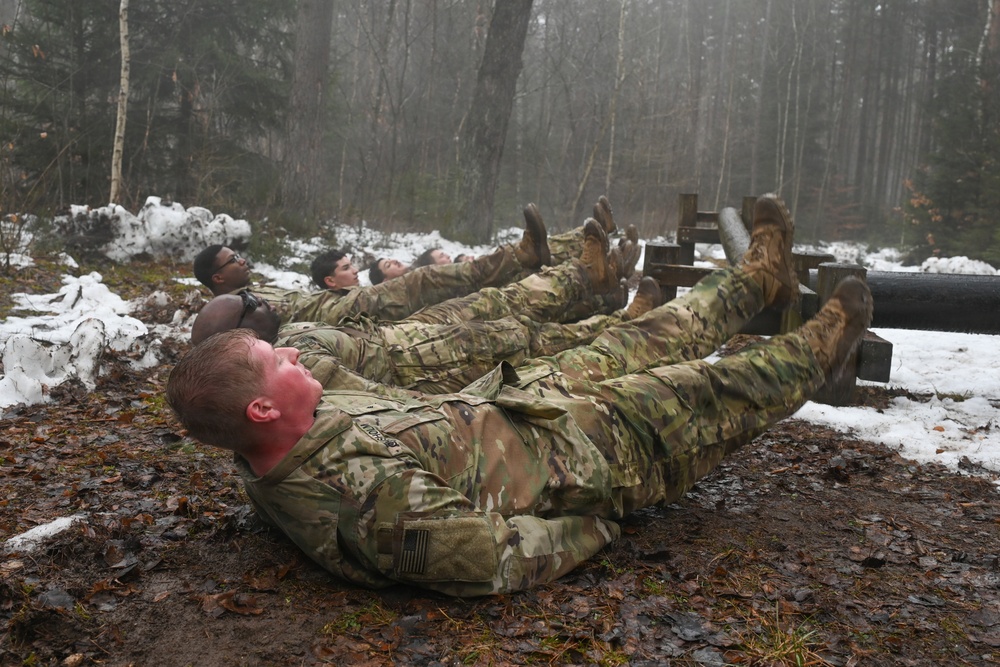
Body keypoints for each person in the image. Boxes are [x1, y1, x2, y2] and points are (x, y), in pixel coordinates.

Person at [167, 194, 873, 597]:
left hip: (519, 401)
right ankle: (820, 348)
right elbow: (484, 556)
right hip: (581, 456)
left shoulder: (282, 431)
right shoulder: (362, 504)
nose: (291, 349)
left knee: (652, 333)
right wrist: (591, 529)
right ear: (262, 407)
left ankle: (758, 278)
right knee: (709, 389)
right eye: (273, 357)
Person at [190, 267, 662, 393]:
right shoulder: (293, 365)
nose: (260, 299)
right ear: (242, 335)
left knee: (515, 321)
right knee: (532, 344)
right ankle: (624, 325)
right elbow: (376, 398)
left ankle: (607, 303)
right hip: (426, 364)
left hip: (416, 334)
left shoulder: (293, 330)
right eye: (250, 303)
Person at [191, 220, 636, 345]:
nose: (242, 260)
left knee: (473, 293)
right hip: (350, 319)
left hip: (351, 311)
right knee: (449, 289)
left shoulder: (253, 294)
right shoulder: (224, 317)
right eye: (233, 260)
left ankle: (573, 251)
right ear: (217, 277)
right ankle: (579, 270)